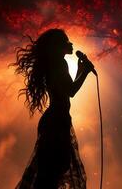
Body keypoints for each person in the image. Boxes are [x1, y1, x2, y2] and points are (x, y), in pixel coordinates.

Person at [12, 29, 93, 189]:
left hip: (56, 120)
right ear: (58, 46)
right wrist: (86, 71)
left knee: (52, 170)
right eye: (66, 42)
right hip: (56, 121)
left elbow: (67, 88)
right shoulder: (59, 64)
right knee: (54, 170)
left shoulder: (56, 64)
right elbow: (71, 91)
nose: (71, 44)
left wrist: (80, 70)